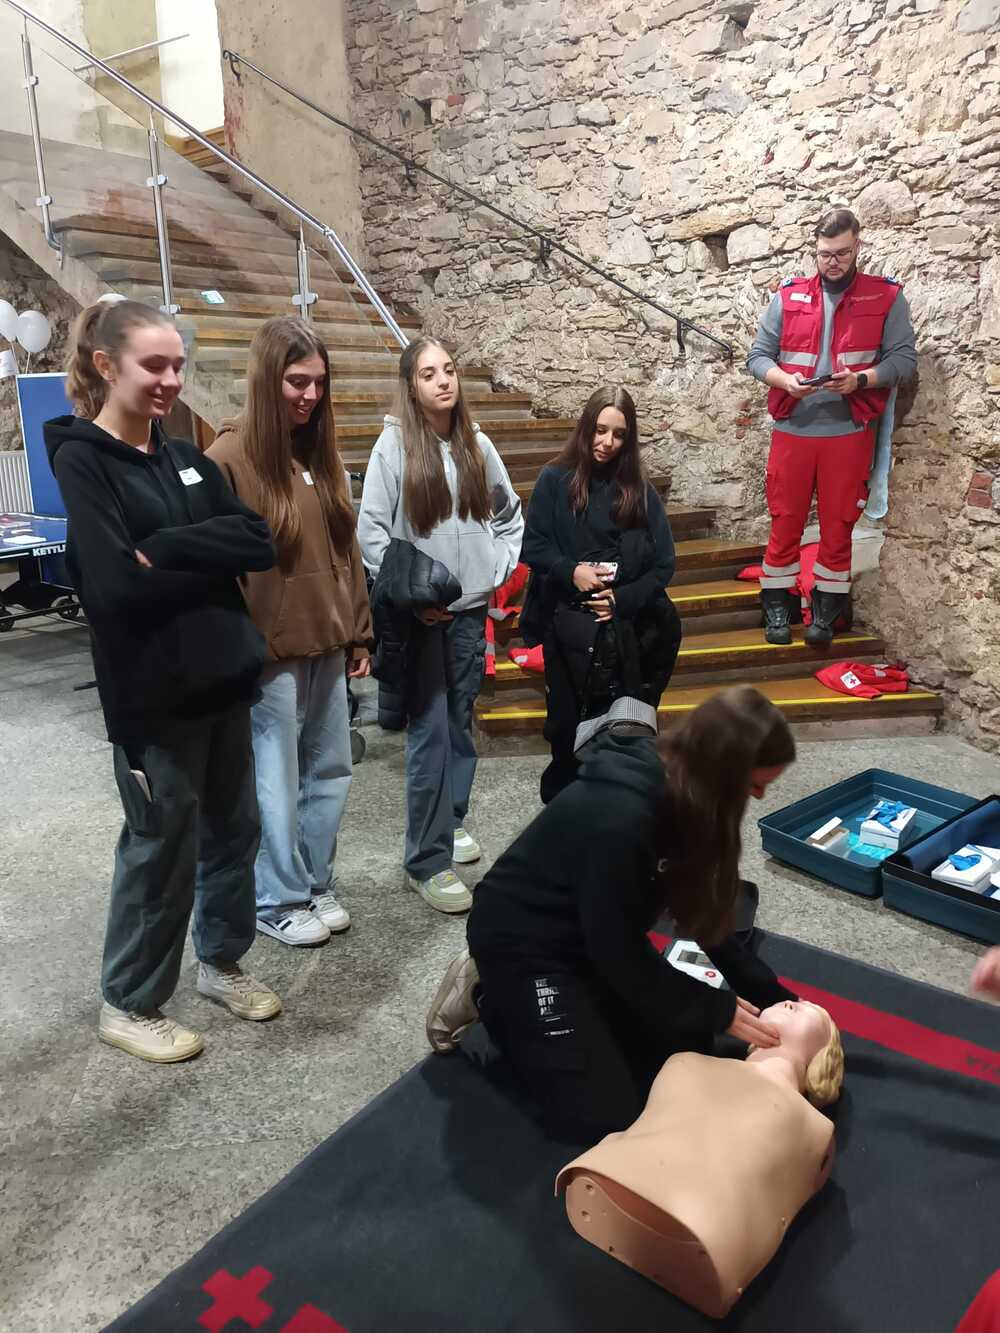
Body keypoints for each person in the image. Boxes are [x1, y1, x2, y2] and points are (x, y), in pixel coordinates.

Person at [45, 298, 280, 1064]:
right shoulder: (82, 460)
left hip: (223, 682)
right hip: (153, 699)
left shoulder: (185, 456)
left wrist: (169, 547)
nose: (171, 380)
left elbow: (258, 538)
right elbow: (114, 585)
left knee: (235, 832)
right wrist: (207, 557)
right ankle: (130, 1000)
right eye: (155, 365)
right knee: (161, 846)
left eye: (178, 365)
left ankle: (221, 962)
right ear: (107, 364)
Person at [427, 685, 800, 1140]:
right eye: (754, 784)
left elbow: (704, 912)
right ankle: (490, 993)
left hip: (591, 935)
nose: (759, 796)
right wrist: (713, 1006)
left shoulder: (693, 796)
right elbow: (617, 950)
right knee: (606, 1116)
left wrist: (776, 999)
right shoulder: (621, 815)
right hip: (524, 945)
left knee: (685, 1043)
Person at [207, 317, 373, 947]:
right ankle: (276, 897)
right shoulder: (227, 459)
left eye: (318, 383)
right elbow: (214, 573)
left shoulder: (318, 455)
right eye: (297, 381)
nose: (310, 395)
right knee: (274, 780)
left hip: (328, 641)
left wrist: (359, 632)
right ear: (266, 378)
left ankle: (312, 880)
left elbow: (347, 552)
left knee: (330, 771)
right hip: (268, 656)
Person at [358, 336, 523, 913]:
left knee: (458, 724)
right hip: (422, 618)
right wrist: (409, 595)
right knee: (429, 733)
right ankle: (426, 862)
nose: (443, 381)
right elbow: (372, 533)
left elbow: (508, 515)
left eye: (449, 370)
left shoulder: (477, 444)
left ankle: (449, 823)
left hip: (469, 611)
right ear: (411, 386)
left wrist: (492, 572)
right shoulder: (393, 448)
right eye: (428, 374)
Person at [557, 999, 844, 1318]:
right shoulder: (686, 1062)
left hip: (713, 1238)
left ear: (824, 1055)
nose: (791, 1002)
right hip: (610, 1174)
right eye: (790, 1002)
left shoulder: (813, 1126)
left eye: (810, 1010)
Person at [747, 207, 917, 647]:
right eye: (825, 254)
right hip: (794, 429)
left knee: (839, 527)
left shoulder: (886, 297)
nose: (833, 262)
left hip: (848, 432)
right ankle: (777, 605)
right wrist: (783, 380)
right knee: (784, 521)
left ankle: (828, 610)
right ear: (815, 250)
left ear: (857, 246)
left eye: (842, 253)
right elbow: (757, 356)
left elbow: (904, 360)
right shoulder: (788, 296)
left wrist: (862, 380)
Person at [520, 386, 682, 804]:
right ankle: (565, 808)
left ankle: (612, 805)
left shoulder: (638, 489)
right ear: (586, 427)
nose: (607, 442)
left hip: (623, 628)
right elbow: (532, 545)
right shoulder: (555, 478)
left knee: (621, 726)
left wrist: (620, 600)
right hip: (568, 624)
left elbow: (664, 563)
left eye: (619, 434)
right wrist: (570, 571)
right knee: (565, 726)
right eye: (600, 430)